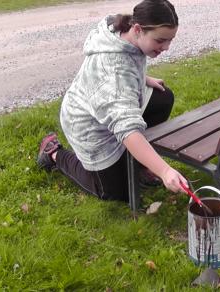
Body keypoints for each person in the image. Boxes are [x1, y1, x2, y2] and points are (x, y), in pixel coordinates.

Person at [36, 0, 188, 202]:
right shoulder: (113, 73)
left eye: (170, 40)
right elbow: (127, 129)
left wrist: (142, 79)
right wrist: (164, 170)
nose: (166, 47)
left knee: (162, 97)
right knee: (117, 194)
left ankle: (137, 165)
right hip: (87, 126)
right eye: (160, 41)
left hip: (105, 106)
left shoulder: (126, 36)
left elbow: (126, 67)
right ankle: (54, 152)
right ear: (137, 29)